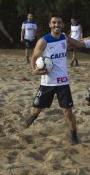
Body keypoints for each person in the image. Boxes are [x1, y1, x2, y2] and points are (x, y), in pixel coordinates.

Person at [23, 14, 79, 145]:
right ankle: (27, 122)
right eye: (54, 23)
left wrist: (88, 39)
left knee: (67, 112)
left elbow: (73, 44)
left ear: (62, 25)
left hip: (63, 82)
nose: (56, 25)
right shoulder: (44, 41)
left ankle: (74, 136)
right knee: (36, 110)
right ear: (50, 25)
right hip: (47, 82)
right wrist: (34, 70)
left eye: (59, 23)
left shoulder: (64, 37)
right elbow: (34, 57)